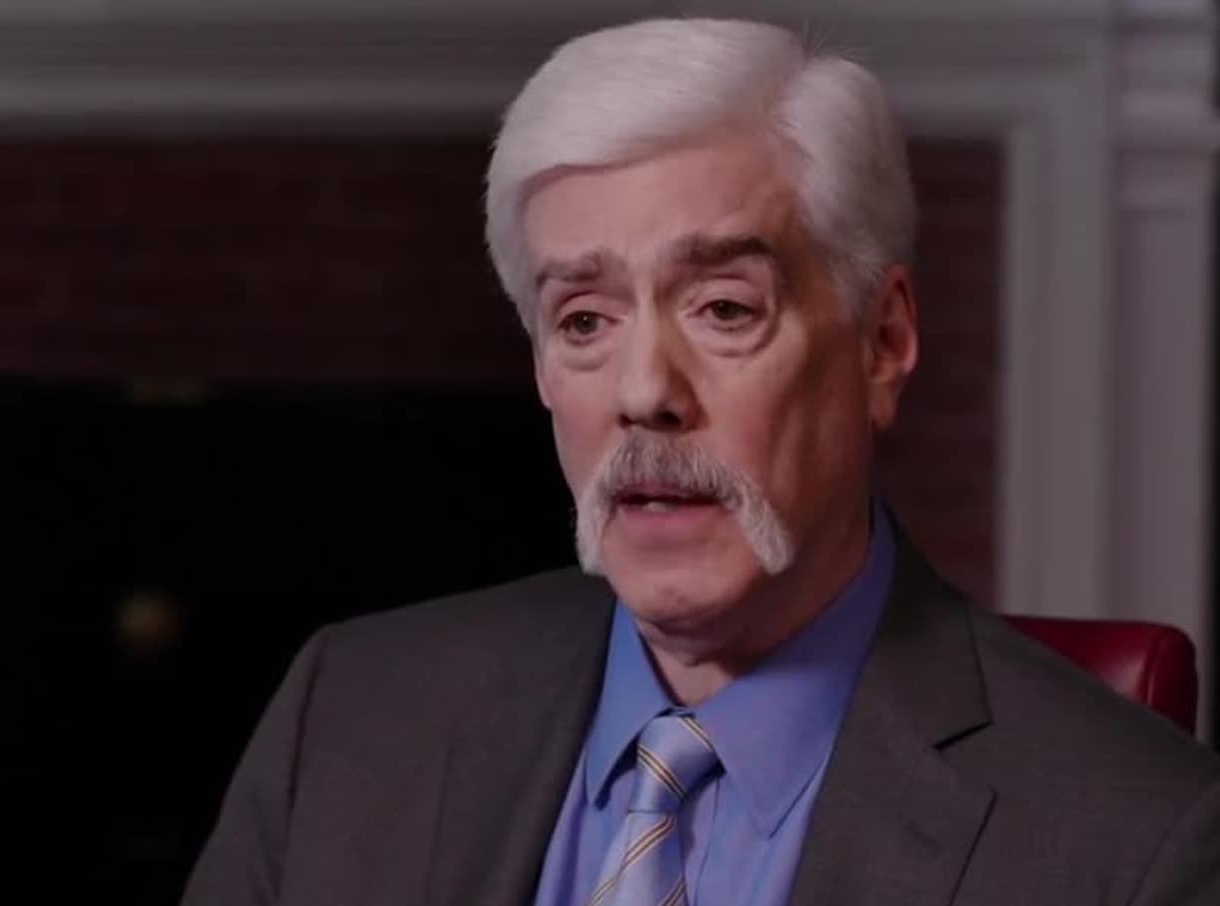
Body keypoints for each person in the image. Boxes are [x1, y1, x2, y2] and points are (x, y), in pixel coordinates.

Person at [183, 17, 1220, 906]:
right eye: (583, 320)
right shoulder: (346, 722)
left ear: (883, 342)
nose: (644, 392)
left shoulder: (1137, 842)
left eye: (724, 309)